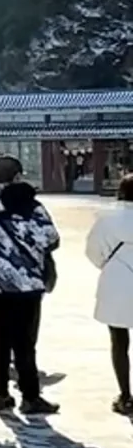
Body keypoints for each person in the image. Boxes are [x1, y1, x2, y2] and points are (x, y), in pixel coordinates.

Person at [0, 159, 60, 415]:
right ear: (18, 175)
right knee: (24, 341)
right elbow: (51, 239)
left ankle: (0, 394)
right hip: (27, 282)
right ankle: (30, 396)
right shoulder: (31, 206)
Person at [86, 174, 133, 414]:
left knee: (119, 342)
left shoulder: (107, 218)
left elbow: (93, 251)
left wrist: (109, 266)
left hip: (116, 281)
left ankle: (126, 396)